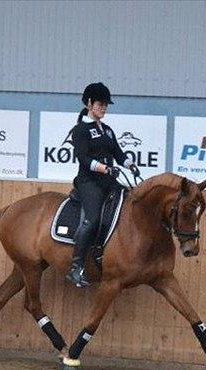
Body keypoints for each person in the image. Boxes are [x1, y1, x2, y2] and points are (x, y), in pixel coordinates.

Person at [65, 82, 141, 288]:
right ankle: (76, 267)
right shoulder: (80, 130)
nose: (104, 108)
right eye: (100, 104)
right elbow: (83, 158)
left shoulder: (107, 130)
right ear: (89, 103)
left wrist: (130, 165)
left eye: (106, 105)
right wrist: (105, 169)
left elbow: (118, 153)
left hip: (109, 182)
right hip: (89, 182)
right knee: (92, 219)